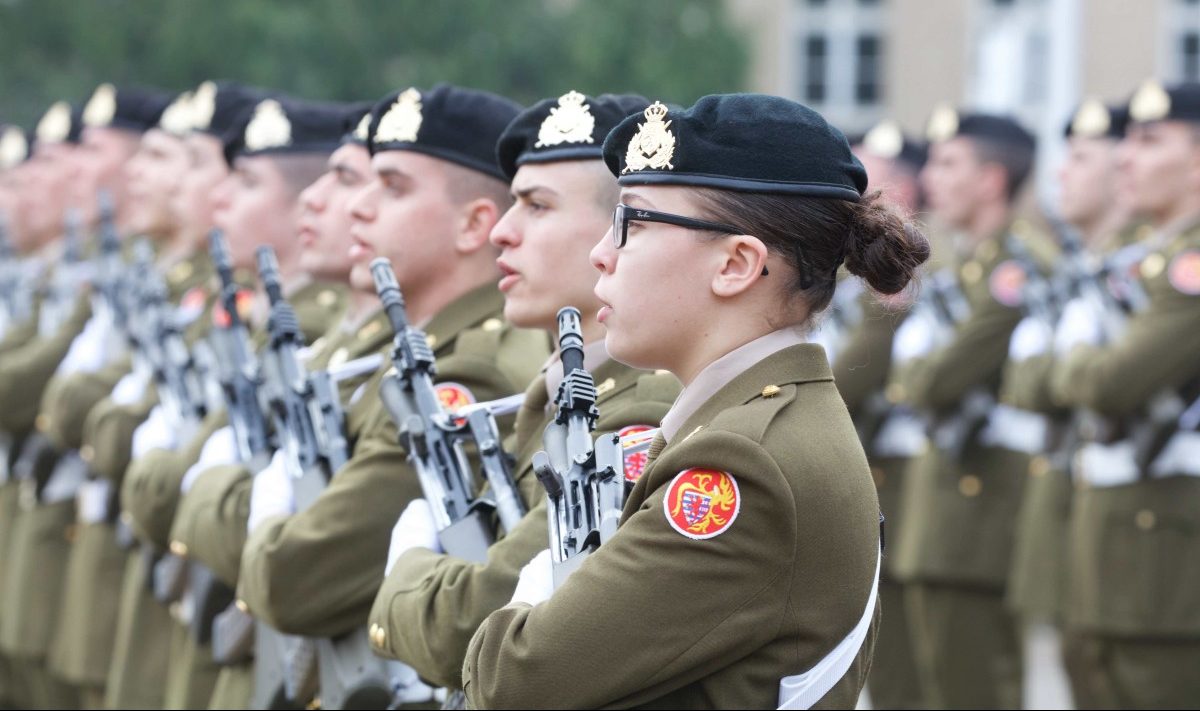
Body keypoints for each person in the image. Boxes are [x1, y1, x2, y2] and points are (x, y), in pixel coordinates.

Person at [463, 93, 930, 708]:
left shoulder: (743, 464)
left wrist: (530, 595)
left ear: (736, 264)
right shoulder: (751, 425)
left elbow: (514, 680)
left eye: (633, 222)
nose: (602, 253)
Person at [236, 84, 548, 703]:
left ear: (472, 225)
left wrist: (230, 496)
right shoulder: (407, 355)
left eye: (393, 187)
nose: (357, 208)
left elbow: (298, 575)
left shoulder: (466, 377)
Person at [365, 91, 681, 694]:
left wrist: (405, 572)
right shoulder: (557, 398)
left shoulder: (637, 412)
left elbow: (473, 619)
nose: (503, 234)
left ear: (622, 231)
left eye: (537, 207)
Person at [166, 101, 374, 710]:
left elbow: (296, 567)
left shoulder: (454, 372)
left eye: (357, 182)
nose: (321, 200)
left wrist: (199, 484)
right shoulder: (326, 342)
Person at [888, 107, 1053, 709]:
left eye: (949, 162)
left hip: (981, 505)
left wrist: (918, 372)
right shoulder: (965, 265)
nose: (930, 178)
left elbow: (931, 380)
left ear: (991, 180)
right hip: (946, 501)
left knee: (974, 687)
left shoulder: (1016, 267)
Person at [1049, 79, 1200, 709]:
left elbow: (1110, 383)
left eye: (1150, 142)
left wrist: (1072, 356)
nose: (1127, 159)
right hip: (1118, 538)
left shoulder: (1190, 266)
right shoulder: (1149, 262)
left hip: (1166, 548)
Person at [999, 97, 1136, 709]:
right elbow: (1024, 385)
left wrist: (1056, 369)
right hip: (1076, 503)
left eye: (1082, 158)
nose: (1060, 174)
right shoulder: (1083, 268)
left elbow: (1091, 382)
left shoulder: (1147, 271)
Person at [838, 119, 929, 710]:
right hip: (868, 470)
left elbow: (854, 376)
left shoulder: (907, 278)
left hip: (905, 479)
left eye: (886, 181)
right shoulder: (856, 278)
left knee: (911, 676)